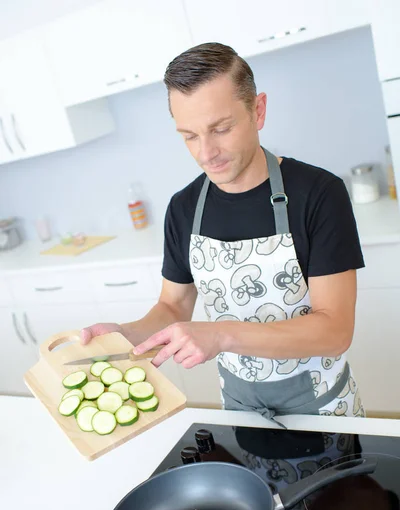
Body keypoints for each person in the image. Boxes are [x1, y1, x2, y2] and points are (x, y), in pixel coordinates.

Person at [81, 42, 366, 419]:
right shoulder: (184, 209)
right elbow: (173, 306)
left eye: (221, 128)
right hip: (238, 408)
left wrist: (221, 334)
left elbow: (335, 332)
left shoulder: (318, 194)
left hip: (323, 411)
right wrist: (126, 334)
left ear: (258, 110)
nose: (205, 153)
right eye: (190, 135)